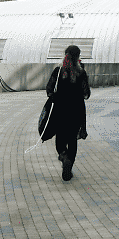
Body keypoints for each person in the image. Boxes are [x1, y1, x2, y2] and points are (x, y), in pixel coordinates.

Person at [46, 45, 90, 182]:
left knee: (60, 140)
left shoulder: (58, 71)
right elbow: (86, 94)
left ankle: (64, 157)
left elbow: (49, 89)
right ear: (78, 57)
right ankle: (68, 168)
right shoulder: (81, 73)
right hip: (76, 111)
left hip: (61, 111)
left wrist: (56, 96)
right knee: (72, 140)